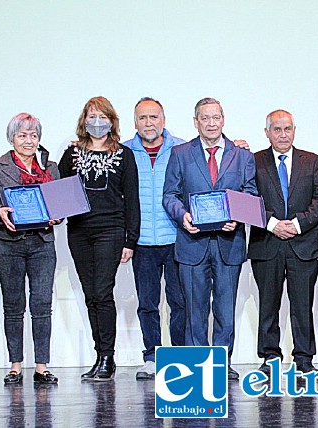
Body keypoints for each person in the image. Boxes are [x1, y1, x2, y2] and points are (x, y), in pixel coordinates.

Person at [163, 97, 257, 380]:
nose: (211, 123)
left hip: (229, 244)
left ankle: (220, 363)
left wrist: (237, 216)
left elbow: (251, 193)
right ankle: (196, 366)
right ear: (196, 122)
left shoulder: (242, 156)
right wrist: (183, 216)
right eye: (205, 118)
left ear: (223, 120)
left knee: (225, 310)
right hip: (192, 243)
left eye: (216, 117)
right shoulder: (180, 153)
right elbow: (169, 195)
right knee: (194, 310)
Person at [0, 113, 61, 385]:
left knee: (42, 304)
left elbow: (59, 206)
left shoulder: (51, 167)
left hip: (42, 243)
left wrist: (58, 215)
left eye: (34, 136)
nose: (28, 141)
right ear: (11, 137)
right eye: (22, 135)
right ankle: (15, 365)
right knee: (13, 305)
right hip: (7, 244)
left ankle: (42, 366)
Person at [59, 96, 140, 382]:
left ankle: (108, 356)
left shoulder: (124, 154)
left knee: (103, 292)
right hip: (79, 231)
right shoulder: (71, 154)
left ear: (111, 121)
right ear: (84, 120)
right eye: (91, 116)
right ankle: (99, 355)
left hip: (111, 229)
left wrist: (131, 240)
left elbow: (132, 198)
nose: (97, 121)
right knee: (90, 294)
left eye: (102, 116)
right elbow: (60, 192)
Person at [248, 110, 318, 375]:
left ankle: (304, 359)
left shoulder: (311, 161)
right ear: (267, 132)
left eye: (288, 129)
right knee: (268, 305)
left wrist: (296, 224)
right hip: (266, 244)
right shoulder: (253, 161)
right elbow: (248, 198)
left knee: (302, 306)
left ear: (294, 130)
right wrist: (272, 224)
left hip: (302, 244)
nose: (283, 135)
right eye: (277, 129)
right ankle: (270, 357)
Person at [122, 98, 186, 380]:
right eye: (143, 118)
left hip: (177, 238)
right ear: (135, 122)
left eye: (154, 117)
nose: (149, 123)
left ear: (164, 119)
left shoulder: (183, 149)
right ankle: (152, 356)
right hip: (142, 242)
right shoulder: (123, 152)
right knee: (147, 303)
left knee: (179, 302)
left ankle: (181, 357)